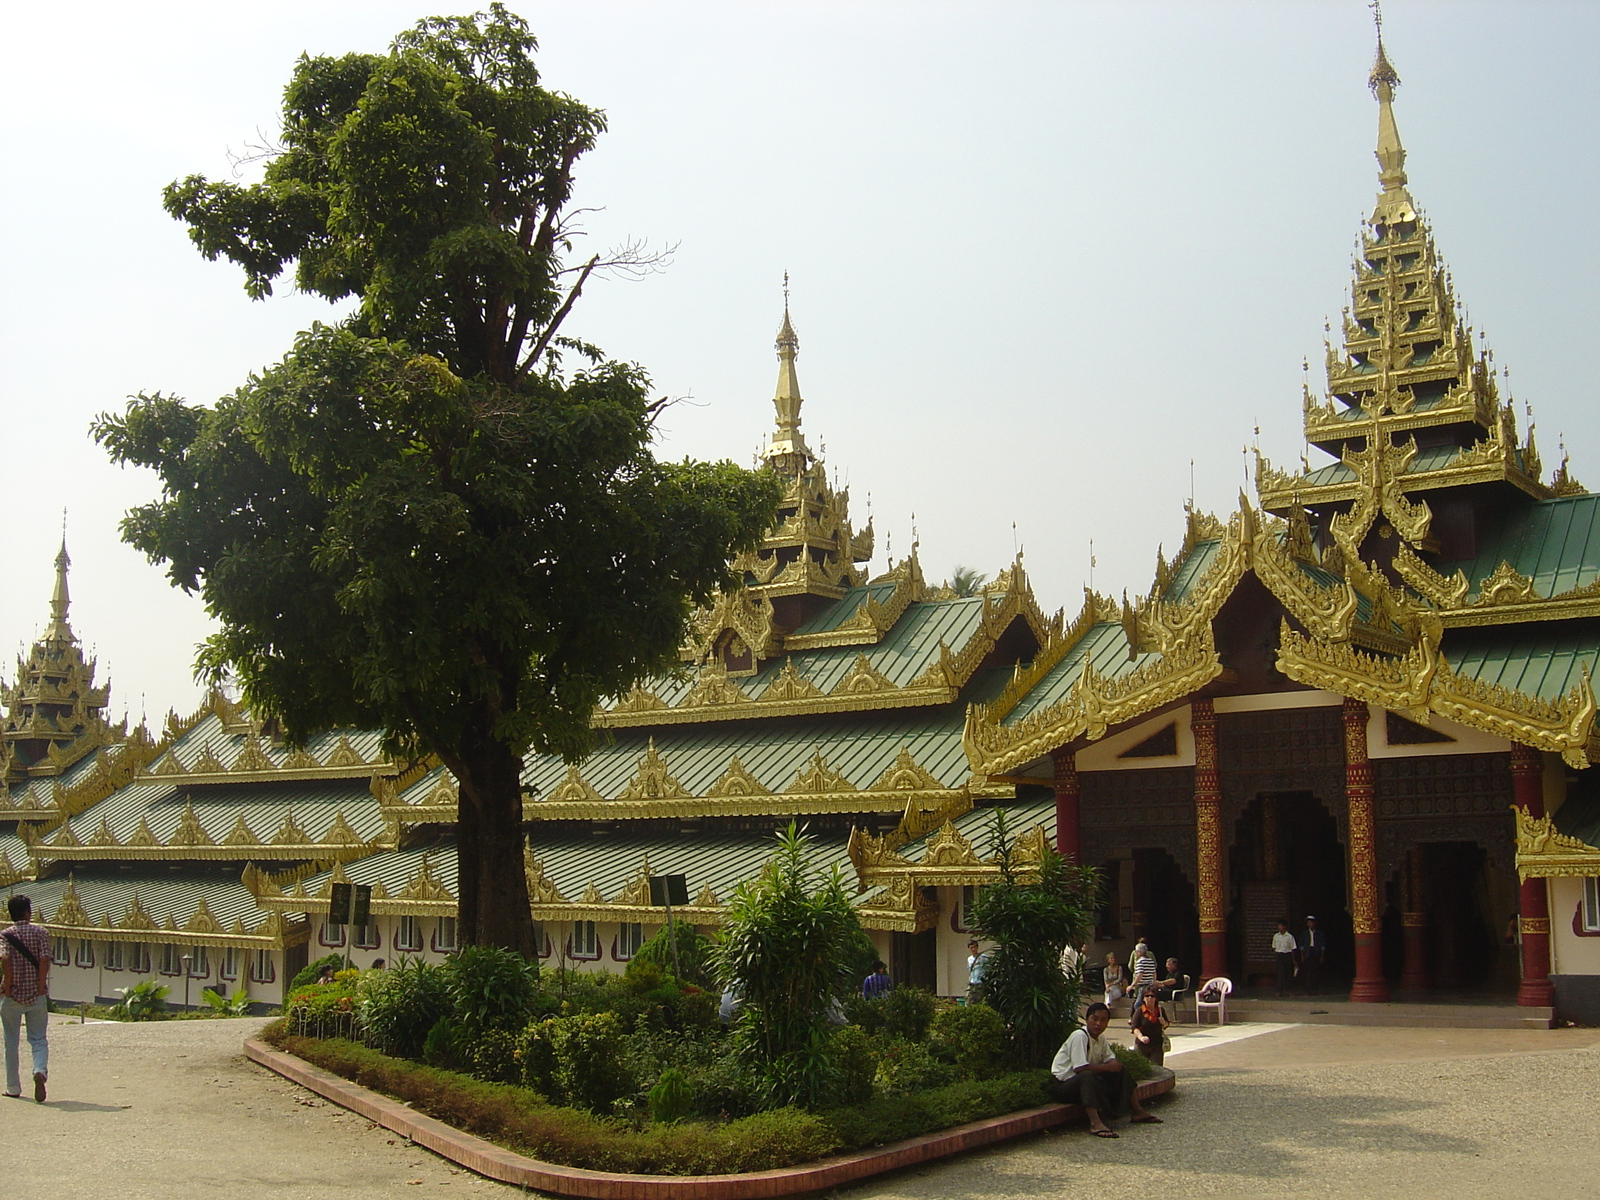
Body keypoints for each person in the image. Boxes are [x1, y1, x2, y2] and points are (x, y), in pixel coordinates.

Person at [1045, 1001, 1162, 1137]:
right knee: (1087, 1076)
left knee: (1120, 1070)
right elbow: (1080, 1068)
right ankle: (1095, 1123)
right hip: (1064, 1086)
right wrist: (1107, 1067)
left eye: (1103, 1020)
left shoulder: (1100, 1039)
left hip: (1084, 1082)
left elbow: (1110, 1058)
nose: (1098, 1024)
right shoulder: (1079, 1036)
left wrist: (1113, 1065)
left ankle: (1137, 1111)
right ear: (1087, 1019)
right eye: (1095, 1019)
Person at [1, 894, 50, 1103]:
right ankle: (39, 1070)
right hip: (36, 994)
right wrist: (40, 987)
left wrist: (8, 985)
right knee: (38, 1039)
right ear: (28, 912)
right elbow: (45, 959)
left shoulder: (6, 935)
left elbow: (4, 958)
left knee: (11, 1042)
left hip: (13, 996)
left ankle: (13, 1087)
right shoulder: (41, 933)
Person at [1130, 989, 1168, 1066]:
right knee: (1142, 1067)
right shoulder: (1139, 1011)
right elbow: (1134, 1027)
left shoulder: (1160, 1010)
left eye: (1152, 996)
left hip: (1157, 1044)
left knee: (1157, 1067)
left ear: (1155, 998)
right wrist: (1141, 1037)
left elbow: (1166, 1025)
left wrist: (1163, 1022)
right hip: (1142, 1045)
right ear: (1143, 998)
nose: (1150, 998)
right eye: (1147, 996)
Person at [1298, 915, 1326, 995]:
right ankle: (1307, 989)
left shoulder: (1319, 933)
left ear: (1314, 923)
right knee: (1307, 971)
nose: (1310, 924)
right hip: (1308, 952)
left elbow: (1323, 946)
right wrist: (1302, 955)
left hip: (1316, 952)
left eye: (1311, 922)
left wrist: (1321, 956)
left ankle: (1315, 988)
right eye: (1308, 923)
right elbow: (1302, 946)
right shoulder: (1304, 933)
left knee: (1316, 971)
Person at [1272, 921, 1297, 996]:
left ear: (1284, 927)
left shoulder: (1289, 936)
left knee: (1288, 973)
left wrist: (1293, 959)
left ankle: (1288, 989)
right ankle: (1279, 990)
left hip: (1287, 954)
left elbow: (1293, 948)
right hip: (1279, 955)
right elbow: (1274, 947)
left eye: (1281, 926)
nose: (1279, 928)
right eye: (1278, 926)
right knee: (1280, 973)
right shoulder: (1276, 936)